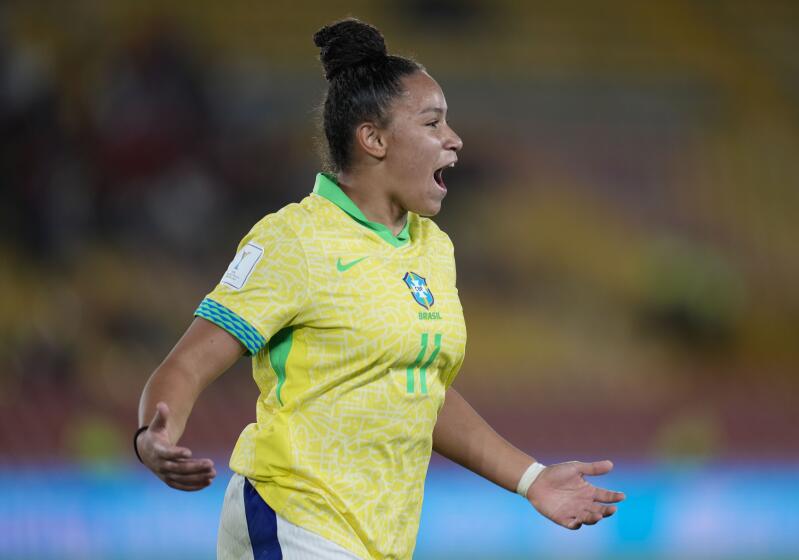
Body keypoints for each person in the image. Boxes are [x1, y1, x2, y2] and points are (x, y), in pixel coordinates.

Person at [135, 18, 625, 560]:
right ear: (373, 139)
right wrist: (153, 437)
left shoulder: (433, 248)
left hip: (378, 542)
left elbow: (418, 393)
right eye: (433, 122)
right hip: (292, 521)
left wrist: (531, 478)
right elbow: (187, 364)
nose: (453, 138)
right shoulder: (296, 238)